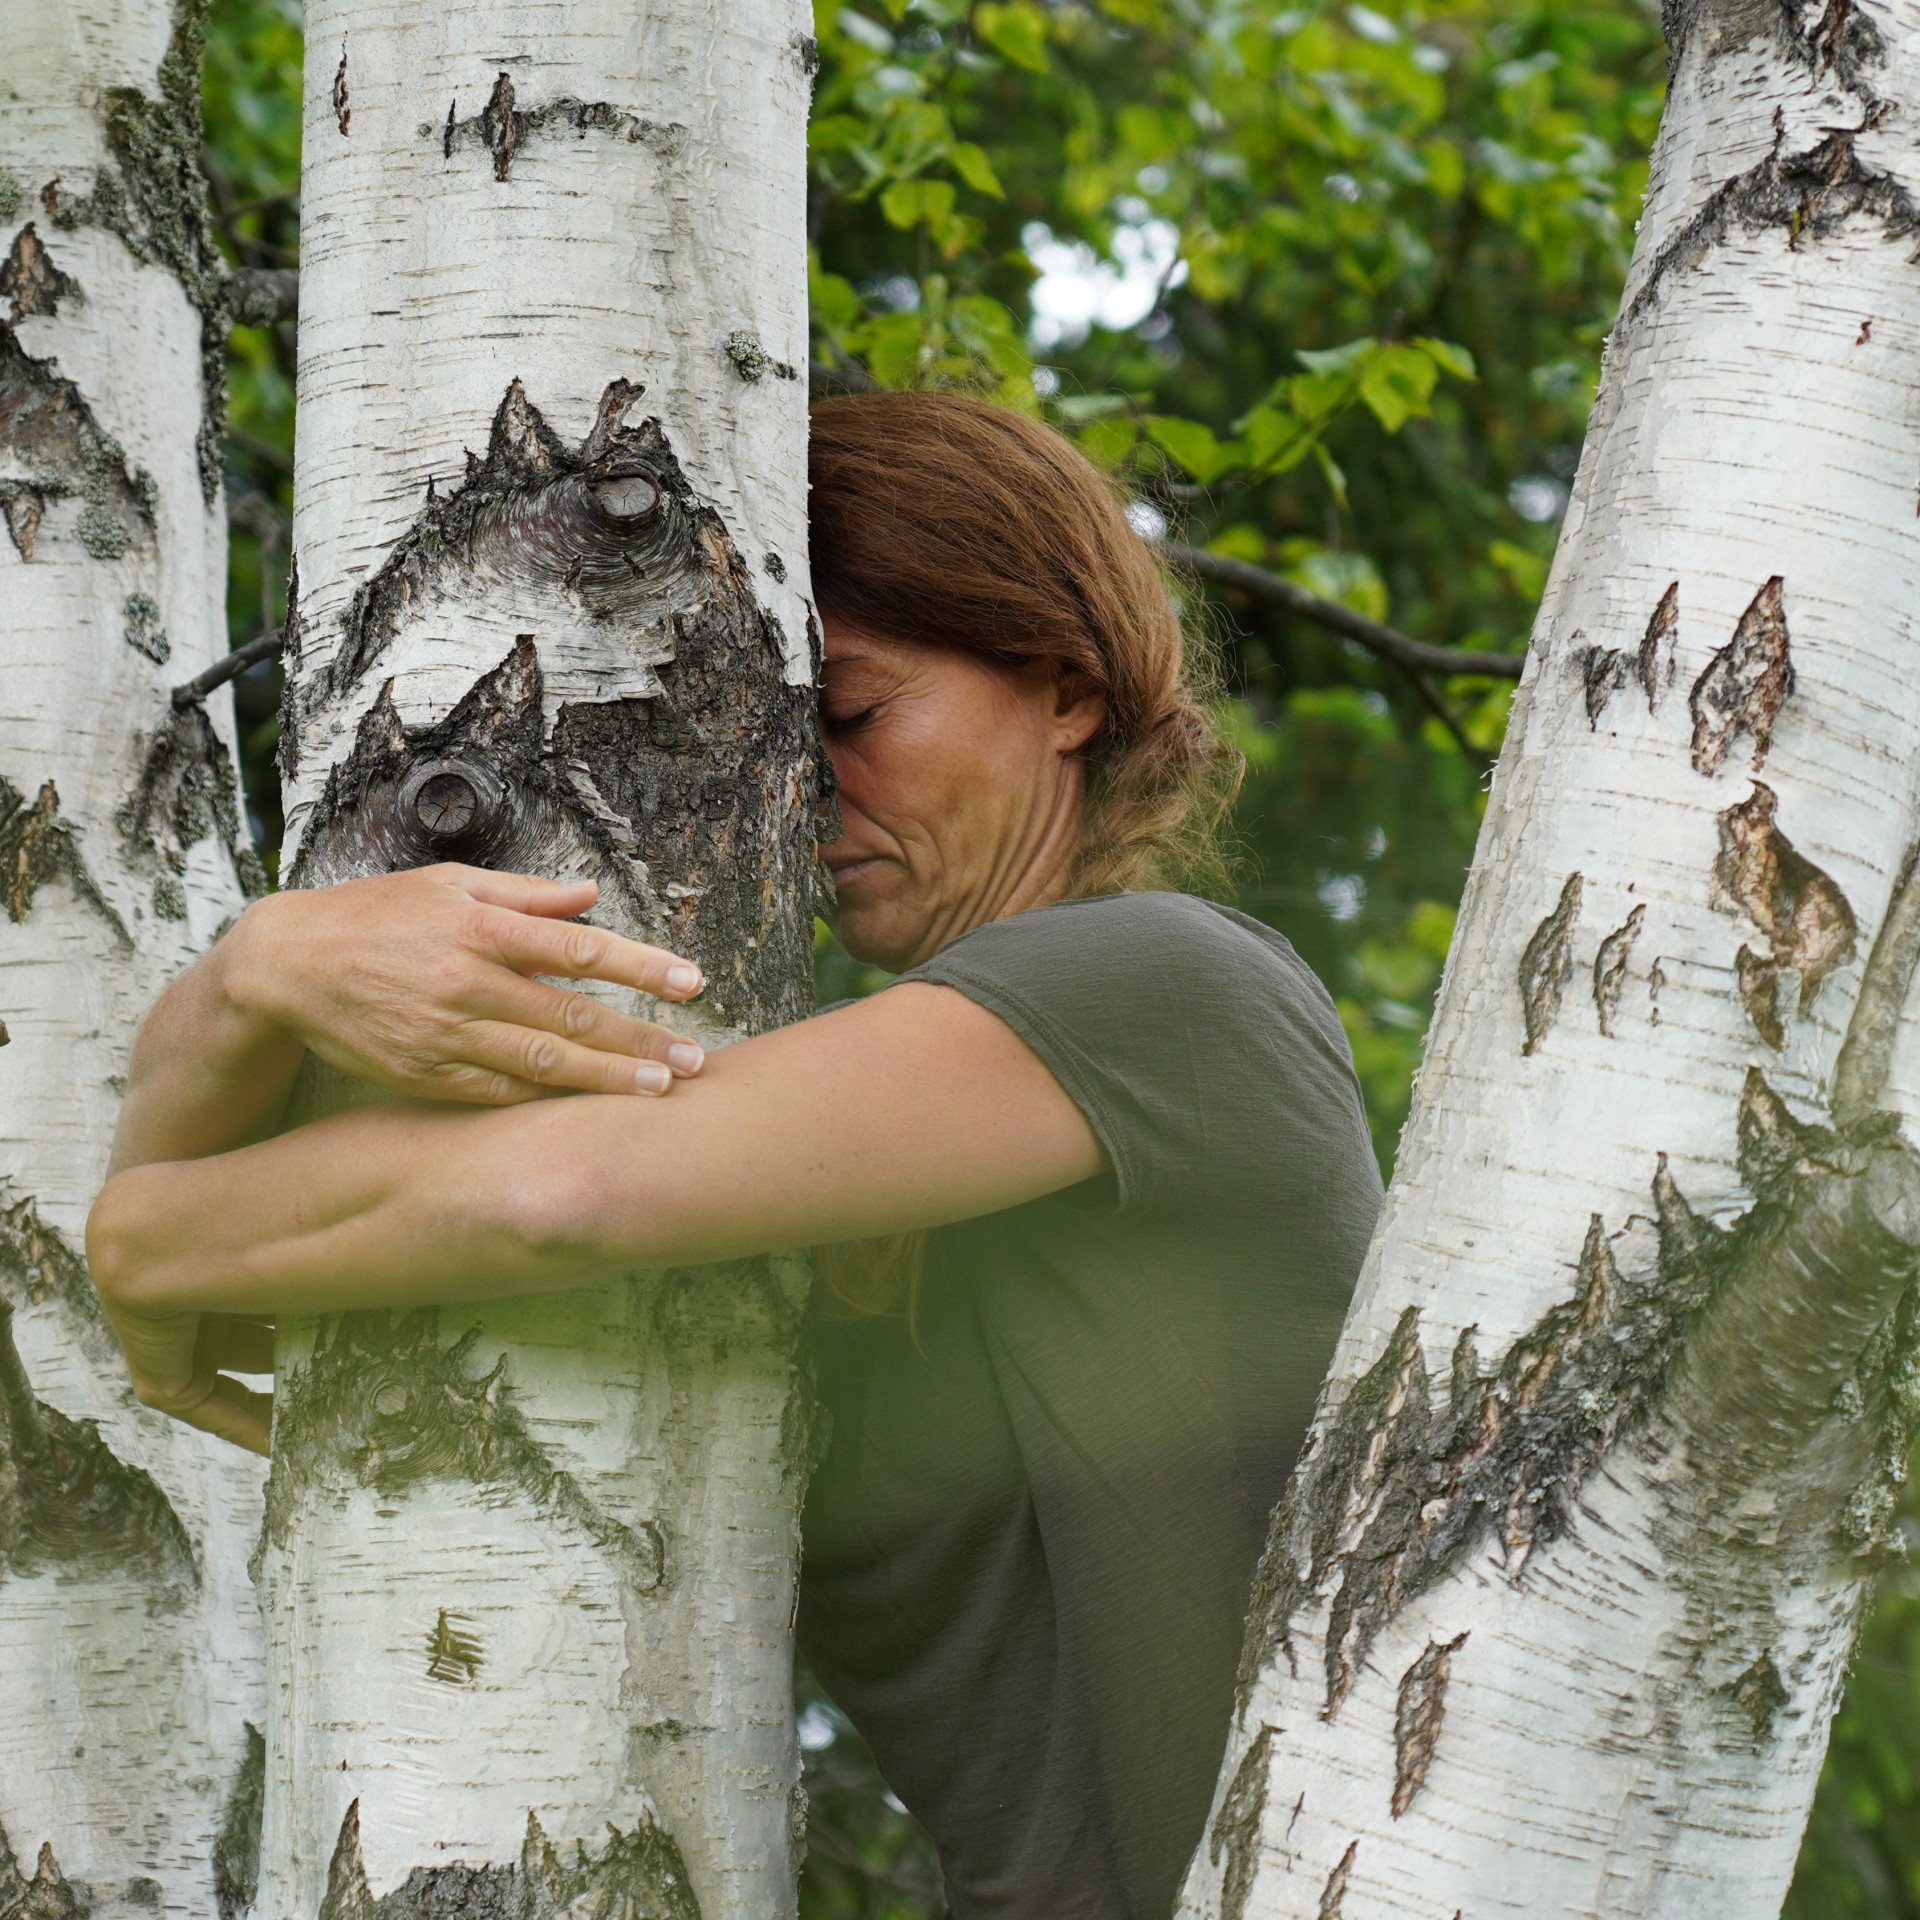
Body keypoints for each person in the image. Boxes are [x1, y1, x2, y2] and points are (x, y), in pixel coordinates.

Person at [87, 391, 1382, 1920]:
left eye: (855, 720)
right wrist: (257, 977)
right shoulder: (855, 1163)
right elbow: (304, 1247)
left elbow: (545, 1196)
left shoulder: (1166, 992)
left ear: (1066, 690)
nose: (815, 788)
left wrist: (133, 1242)